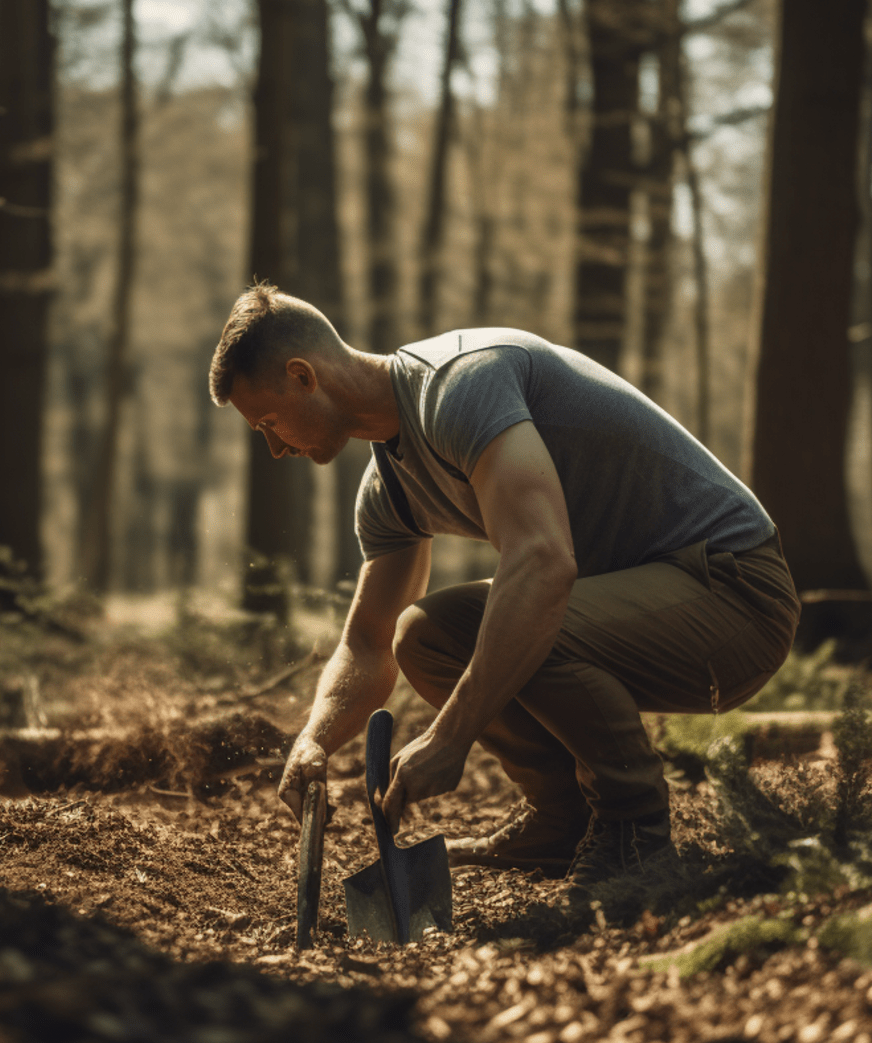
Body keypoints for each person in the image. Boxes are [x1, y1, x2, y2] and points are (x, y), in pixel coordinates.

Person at [210, 283, 799, 886]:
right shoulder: (388, 491)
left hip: (736, 596)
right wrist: (314, 740)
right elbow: (368, 643)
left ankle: (633, 831)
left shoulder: (461, 383)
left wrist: (451, 735)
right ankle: (560, 822)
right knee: (426, 634)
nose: (277, 448)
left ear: (304, 376)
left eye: (270, 422)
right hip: (661, 608)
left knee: (530, 605)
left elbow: (543, 563)